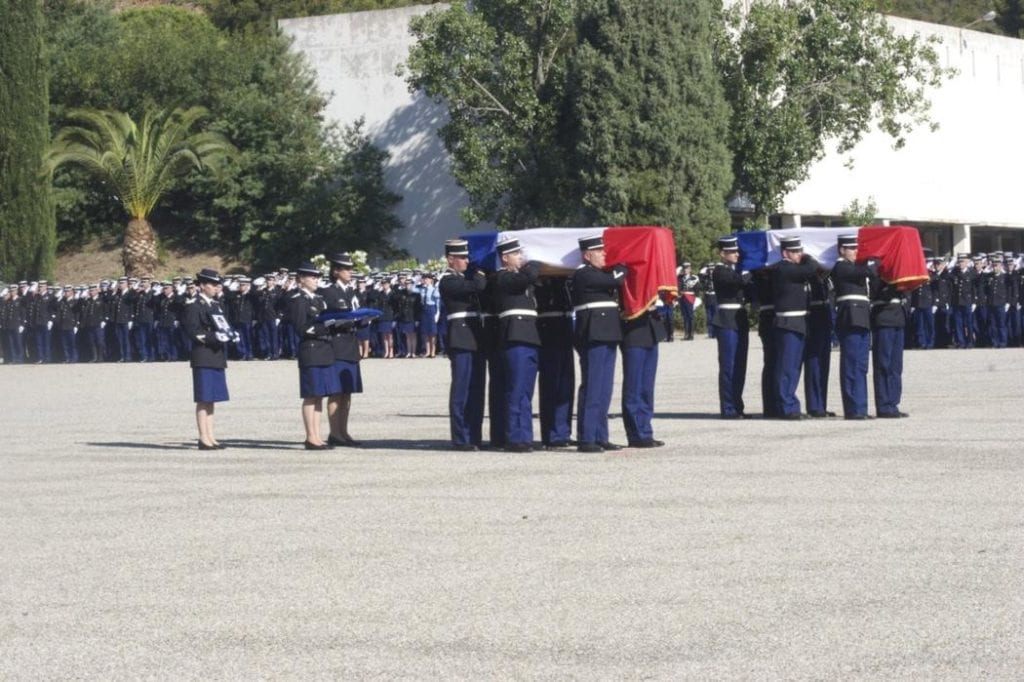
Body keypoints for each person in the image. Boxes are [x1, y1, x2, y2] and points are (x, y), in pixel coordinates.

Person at [571, 234, 627, 452]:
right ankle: (586, 437)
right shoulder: (584, 274)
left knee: (604, 388)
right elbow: (617, 280)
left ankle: (600, 435)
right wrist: (622, 266)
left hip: (607, 332)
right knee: (593, 386)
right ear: (587, 255)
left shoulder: (597, 273)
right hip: (593, 333)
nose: (604, 254)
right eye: (599, 251)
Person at [492, 237, 542, 452]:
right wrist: (533, 265)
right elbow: (526, 278)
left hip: (529, 334)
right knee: (516, 389)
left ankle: (525, 436)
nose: (521, 257)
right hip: (515, 334)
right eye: (517, 254)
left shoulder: (520, 276)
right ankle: (514, 437)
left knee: (526, 391)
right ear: (505, 258)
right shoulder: (502, 277)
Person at [438, 238, 487, 451]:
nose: (467, 261)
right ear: (451, 259)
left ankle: (473, 434)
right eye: (463, 258)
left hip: (474, 337)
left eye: (468, 257)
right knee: (462, 389)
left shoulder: (462, 278)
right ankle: (460, 437)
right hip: (460, 337)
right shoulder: (448, 280)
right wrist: (481, 272)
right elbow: (477, 286)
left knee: (476, 389)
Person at [288, 262, 339, 450]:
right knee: (311, 395)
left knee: (320, 395)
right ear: (301, 279)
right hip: (310, 350)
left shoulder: (318, 299)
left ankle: (317, 435)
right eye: (313, 277)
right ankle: (311, 437)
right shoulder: (298, 300)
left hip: (323, 349)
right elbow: (302, 327)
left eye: (318, 277)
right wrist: (324, 327)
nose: (316, 280)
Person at [182, 268, 233, 450]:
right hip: (203, 354)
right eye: (212, 284)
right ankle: (203, 437)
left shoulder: (215, 304)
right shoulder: (193, 304)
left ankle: (211, 436)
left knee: (212, 399)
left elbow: (223, 325)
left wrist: (230, 335)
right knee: (204, 399)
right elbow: (193, 331)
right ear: (202, 285)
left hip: (216, 355)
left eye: (217, 284)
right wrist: (214, 337)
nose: (216, 287)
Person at [319, 253, 365, 447]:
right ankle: (334, 432)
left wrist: (364, 320)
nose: (350, 272)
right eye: (346, 269)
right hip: (337, 344)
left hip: (351, 343)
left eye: (351, 269)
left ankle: (344, 431)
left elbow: (356, 314)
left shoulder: (351, 292)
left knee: (347, 392)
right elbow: (325, 319)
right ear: (336, 271)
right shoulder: (329, 292)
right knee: (336, 392)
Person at [771, 236, 818, 420]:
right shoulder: (784, 268)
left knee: (794, 367)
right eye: (796, 251)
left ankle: (790, 405)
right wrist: (809, 257)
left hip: (798, 323)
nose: (799, 255)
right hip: (788, 323)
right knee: (787, 367)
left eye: (800, 251)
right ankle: (786, 406)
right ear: (785, 253)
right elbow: (811, 269)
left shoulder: (792, 269)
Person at [829, 234, 873, 420]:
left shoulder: (854, 267)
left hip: (862, 317)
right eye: (852, 248)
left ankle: (861, 407)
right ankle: (853, 409)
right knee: (851, 364)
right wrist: (875, 261)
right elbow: (868, 272)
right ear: (842, 250)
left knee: (861, 366)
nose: (856, 251)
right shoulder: (841, 267)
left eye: (857, 248)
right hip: (851, 317)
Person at [710, 236, 750, 419]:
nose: (736, 254)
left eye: (737, 251)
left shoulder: (737, 271)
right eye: (732, 252)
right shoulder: (719, 271)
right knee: (728, 366)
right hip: (726, 320)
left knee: (740, 365)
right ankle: (728, 408)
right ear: (722, 254)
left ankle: (737, 405)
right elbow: (736, 282)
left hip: (739, 319)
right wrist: (748, 272)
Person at [535, 276, 575, 449]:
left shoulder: (563, 279)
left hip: (565, 328)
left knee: (566, 384)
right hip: (548, 329)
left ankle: (563, 430)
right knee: (551, 385)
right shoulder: (539, 280)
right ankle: (551, 433)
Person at [871, 271, 909, 418]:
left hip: (898, 318)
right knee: (883, 365)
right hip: (884, 318)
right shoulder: (875, 269)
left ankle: (893, 403)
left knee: (896, 366)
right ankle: (884, 405)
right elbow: (876, 291)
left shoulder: (899, 269)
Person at [676, 262, 699, 340]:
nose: (685, 270)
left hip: (690, 298)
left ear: (690, 269)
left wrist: (696, 299)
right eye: (684, 268)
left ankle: (691, 334)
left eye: (687, 268)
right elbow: (678, 287)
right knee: (685, 316)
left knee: (690, 316)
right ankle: (686, 334)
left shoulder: (694, 278)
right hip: (682, 298)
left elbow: (697, 290)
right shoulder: (680, 277)